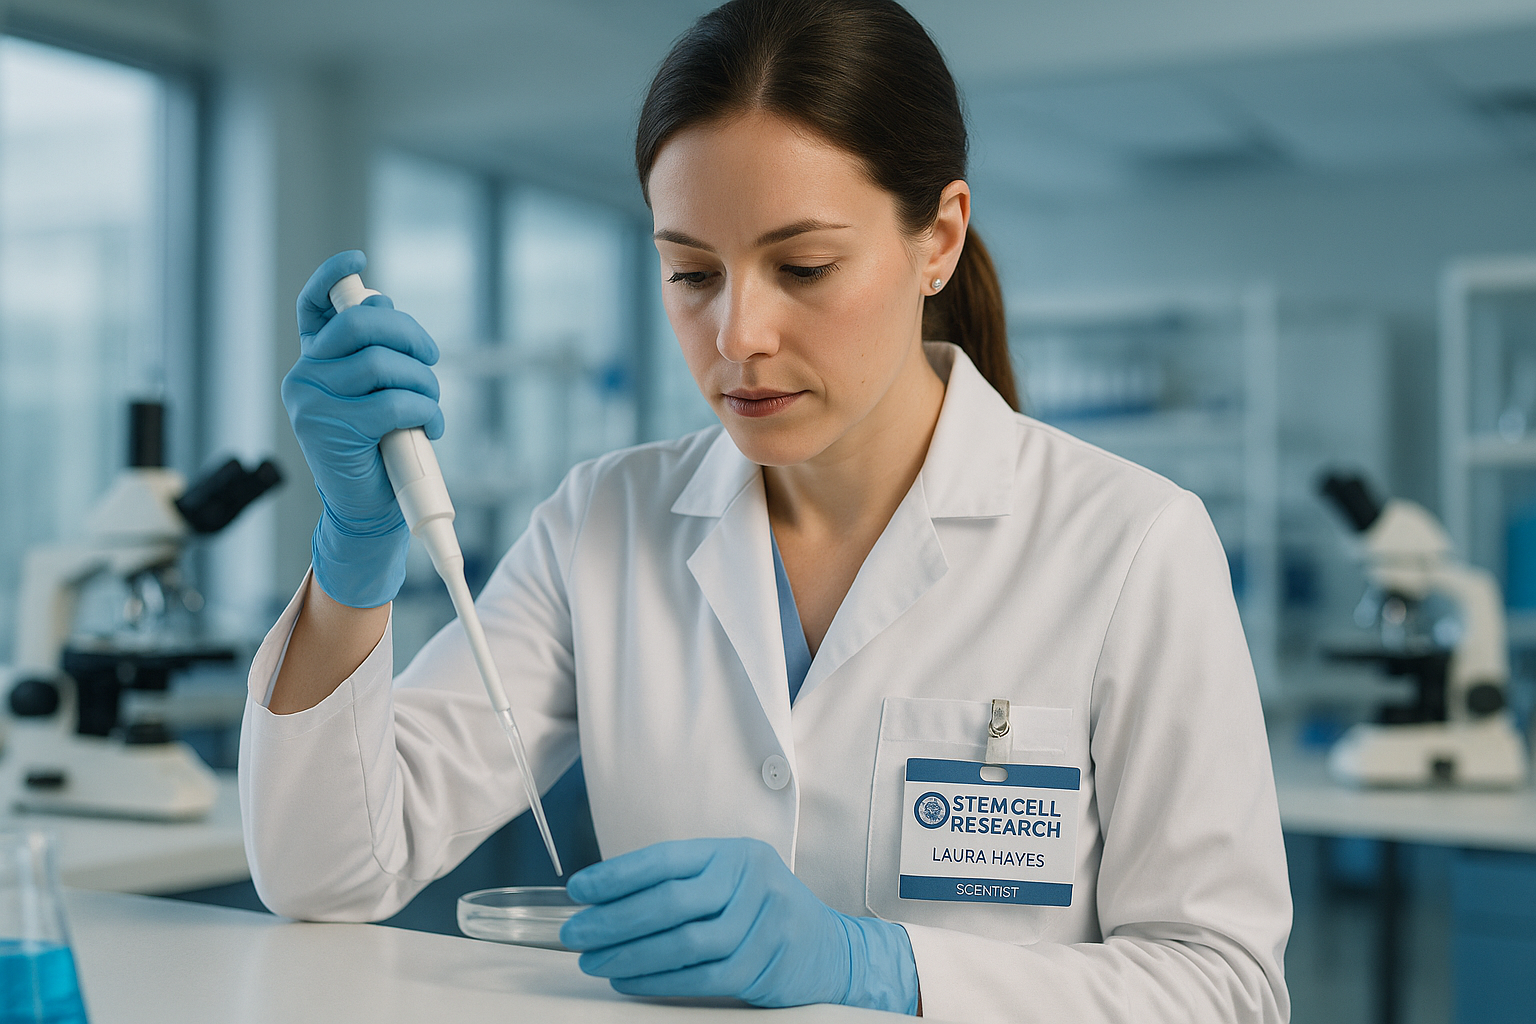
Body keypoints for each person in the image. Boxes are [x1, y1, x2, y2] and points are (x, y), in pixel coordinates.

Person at [240, 0, 1291, 1019]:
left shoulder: (1130, 544)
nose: (737, 333)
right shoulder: (600, 523)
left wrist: (876, 964)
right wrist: (355, 551)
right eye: (692, 272)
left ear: (939, 239)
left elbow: (1225, 988)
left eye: (804, 266)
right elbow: (325, 871)